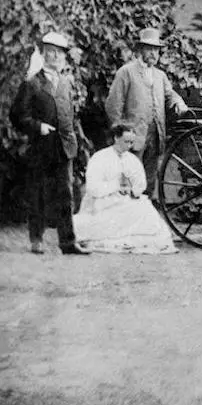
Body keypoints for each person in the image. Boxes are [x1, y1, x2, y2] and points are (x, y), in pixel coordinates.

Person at [9, 32, 89, 255]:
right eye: (50, 52)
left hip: (65, 147)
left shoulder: (66, 82)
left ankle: (68, 242)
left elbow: (70, 116)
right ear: (43, 55)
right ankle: (37, 239)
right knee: (38, 194)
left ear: (64, 57)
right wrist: (37, 127)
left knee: (66, 195)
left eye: (59, 53)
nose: (54, 56)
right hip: (41, 147)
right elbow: (17, 116)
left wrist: (78, 142)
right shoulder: (32, 84)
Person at [105, 27, 189, 201]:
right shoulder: (126, 72)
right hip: (132, 137)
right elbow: (113, 105)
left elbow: (170, 94)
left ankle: (145, 218)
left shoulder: (160, 76)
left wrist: (179, 102)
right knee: (130, 180)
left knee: (149, 181)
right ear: (140, 50)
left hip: (155, 136)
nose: (153, 53)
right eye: (149, 48)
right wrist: (120, 134)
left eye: (156, 49)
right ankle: (128, 221)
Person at [73, 123, 177, 254]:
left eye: (131, 142)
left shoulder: (132, 159)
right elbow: (93, 187)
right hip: (103, 201)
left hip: (127, 199)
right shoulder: (100, 157)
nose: (129, 146)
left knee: (146, 210)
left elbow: (140, 184)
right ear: (116, 138)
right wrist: (115, 186)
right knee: (101, 222)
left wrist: (132, 190)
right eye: (126, 141)